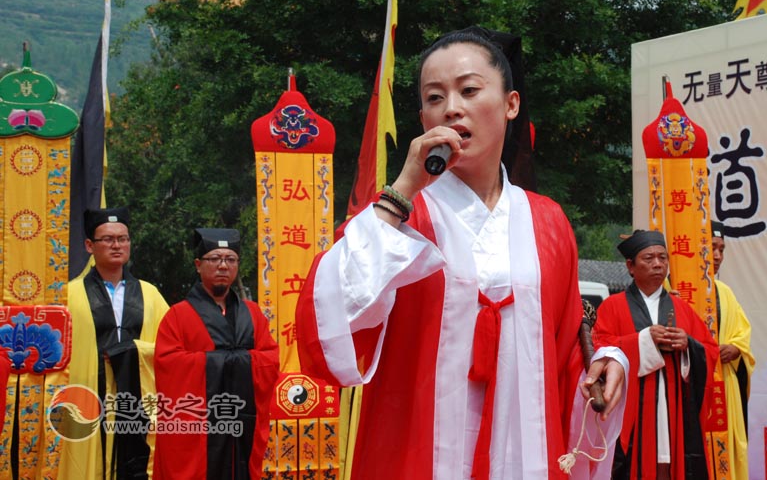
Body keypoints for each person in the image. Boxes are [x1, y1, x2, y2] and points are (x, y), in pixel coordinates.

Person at [296, 29, 627, 479]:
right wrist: (403, 189)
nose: (451, 107)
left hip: (523, 451)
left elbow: (562, 345)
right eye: (435, 97)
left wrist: (604, 362)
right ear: (423, 117)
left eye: (469, 90)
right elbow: (329, 312)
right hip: (419, 452)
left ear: (510, 104)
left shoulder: (547, 222)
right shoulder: (399, 215)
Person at [153, 228, 279, 480]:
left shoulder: (252, 313)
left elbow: (270, 359)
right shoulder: (178, 315)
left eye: (230, 259)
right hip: (197, 430)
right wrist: (232, 361)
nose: (223, 265)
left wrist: (227, 361)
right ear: (198, 265)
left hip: (242, 423)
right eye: (215, 259)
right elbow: (169, 365)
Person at [593, 229, 718, 480]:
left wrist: (688, 346)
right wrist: (643, 340)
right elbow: (600, 347)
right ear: (631, 266)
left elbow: (710, 349)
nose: (658, 264)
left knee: (672, 462)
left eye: (662, 258)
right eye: (648, 258)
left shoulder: (682, 308)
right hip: (632, 406)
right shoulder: (613, 306)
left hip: (674, 404)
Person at [59, 207, 169, 480]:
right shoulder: (68, 295)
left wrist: (133, 352)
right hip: (87, 398)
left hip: (137, 402)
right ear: (89, 246)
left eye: (123, 238)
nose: (117, 245)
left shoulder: (150, 294)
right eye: (107, 239)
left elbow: (171, 348)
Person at [710, 221, 754, 480]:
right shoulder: (673, 290)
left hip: (722, 388)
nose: (717, 256)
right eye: (711, 248)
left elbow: (742, 334)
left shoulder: (724, 291)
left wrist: (736, 348)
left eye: (722, 249)